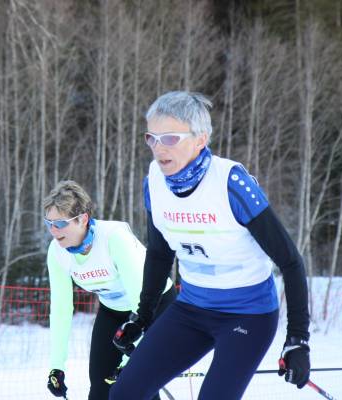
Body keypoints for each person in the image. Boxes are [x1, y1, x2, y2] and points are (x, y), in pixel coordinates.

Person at [110, 91, 310, 400]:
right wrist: (143, 318)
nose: (158, 148)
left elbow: (291, 262)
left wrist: (298, 339)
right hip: (191, 310)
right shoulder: (153, 182)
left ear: (200, 140)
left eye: (170, 138)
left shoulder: (232, 183)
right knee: (125, 393)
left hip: (248, 316)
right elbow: (160, 254)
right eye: (152, 138)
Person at [43, 180, 176, 400]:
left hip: (153, 306)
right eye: (49, 223)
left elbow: (141, 303)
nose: (53, 231)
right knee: (100, 389)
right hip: (113, 310)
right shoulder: (57, 252)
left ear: (82, 219)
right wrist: (56, 366)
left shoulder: (114, 239)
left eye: (61, 223)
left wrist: (126, 362)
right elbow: (61, 309)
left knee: (135, 386)